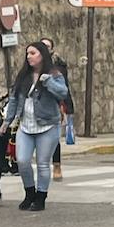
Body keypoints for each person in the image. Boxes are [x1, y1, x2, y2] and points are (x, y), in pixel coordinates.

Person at [3, 41, 69, 212]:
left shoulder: (54, 74)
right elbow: (14, 99)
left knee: (42, 163)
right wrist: (7, 121)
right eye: (27, 54)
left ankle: (41, 197)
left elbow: (63, 93)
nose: (29, 56)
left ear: (42, 55)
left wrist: (48, 82)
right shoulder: (24, 75)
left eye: (32, 53)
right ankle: (29, 193)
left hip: (47, 125)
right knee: (23, 160)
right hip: (26, 125)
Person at [39, 38, 73, 182]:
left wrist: (69, 107)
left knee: (54, 138)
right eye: (42, 45)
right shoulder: (32, 63)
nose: (45, 48)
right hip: (37, 105)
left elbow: (64, 89)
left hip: (55, 105)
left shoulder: (58, 66)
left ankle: (57, 165)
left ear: (52, 48)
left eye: (47, 46)